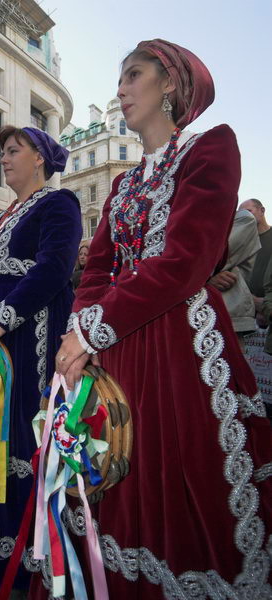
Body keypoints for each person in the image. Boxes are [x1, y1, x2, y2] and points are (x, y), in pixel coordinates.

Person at [48, 39, 272, 599]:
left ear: (169, 84)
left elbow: (187, 261)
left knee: (177, 477)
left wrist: (92, 330)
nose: (120, 89)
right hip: (115, 347)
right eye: (119, 78)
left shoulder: (210, 149)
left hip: (179, 347)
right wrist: (80, 333)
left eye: (133, 75)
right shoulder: (123, 183)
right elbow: (96, 268)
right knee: (111, 470)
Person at [0, 126, 82, 593]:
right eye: (2, 151)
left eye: (13, 151)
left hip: (32, 335)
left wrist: (0, 320)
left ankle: (33, 549)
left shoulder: (59, 204)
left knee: (23, 427)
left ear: (41, 160)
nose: (3, 158)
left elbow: (54, 268)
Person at [208, 208, 260, 344]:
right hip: (189, 313)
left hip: (226, 316)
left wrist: (203, 281)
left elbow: (209, 259)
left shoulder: (244, 219)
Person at [238, 198, 272, 326]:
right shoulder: (240, 243)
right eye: (240, 214)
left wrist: (265, 305)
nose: (244, 217)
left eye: (248, 211)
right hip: (246, 313)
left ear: (262, 210)